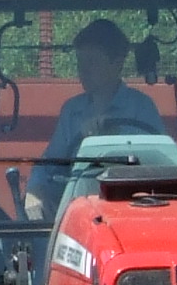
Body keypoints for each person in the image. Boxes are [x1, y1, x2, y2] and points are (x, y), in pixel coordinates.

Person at [23, 18, 168, 219]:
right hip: (77, 209)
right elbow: (49, 163)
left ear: (117, 62)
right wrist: (34, 190)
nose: (83, 70)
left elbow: (162, 163)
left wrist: (113, 141)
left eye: (92, 62)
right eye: (80, 62)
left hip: (133, 210)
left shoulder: (141, 107)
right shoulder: (71, 111)